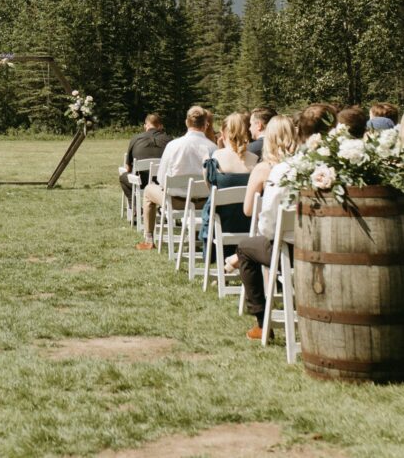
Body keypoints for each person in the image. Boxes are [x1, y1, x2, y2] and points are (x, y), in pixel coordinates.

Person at [237, 107, 334, 340]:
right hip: (323, 244)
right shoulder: (319, 168)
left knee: (245, 249)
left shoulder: (278, 171)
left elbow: (268, 224)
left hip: (288, 248)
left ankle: (262, 322)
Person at [137, 106, 216, 250]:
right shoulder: (213, 148)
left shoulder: (173, 145)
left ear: (187, 122)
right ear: (206, 124)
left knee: (149, 190)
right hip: (204, 202)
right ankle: (196, 237)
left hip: (176, 202)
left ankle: (149, 238)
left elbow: (162, 178)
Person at [201, 112, 257, 263]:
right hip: (250, 225)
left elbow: (211, 189)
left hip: (222, 224)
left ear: (224, 133)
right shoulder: (256, 160)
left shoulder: (214, 158)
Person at [119, 113, 171, 212]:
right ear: (160, 126)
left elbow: (128, 168)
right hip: (162, 183)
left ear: (145, 126)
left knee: (123, 177)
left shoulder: (135, 139)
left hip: (141, 182)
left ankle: (134, 207)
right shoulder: (169, 140)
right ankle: (163, 207)